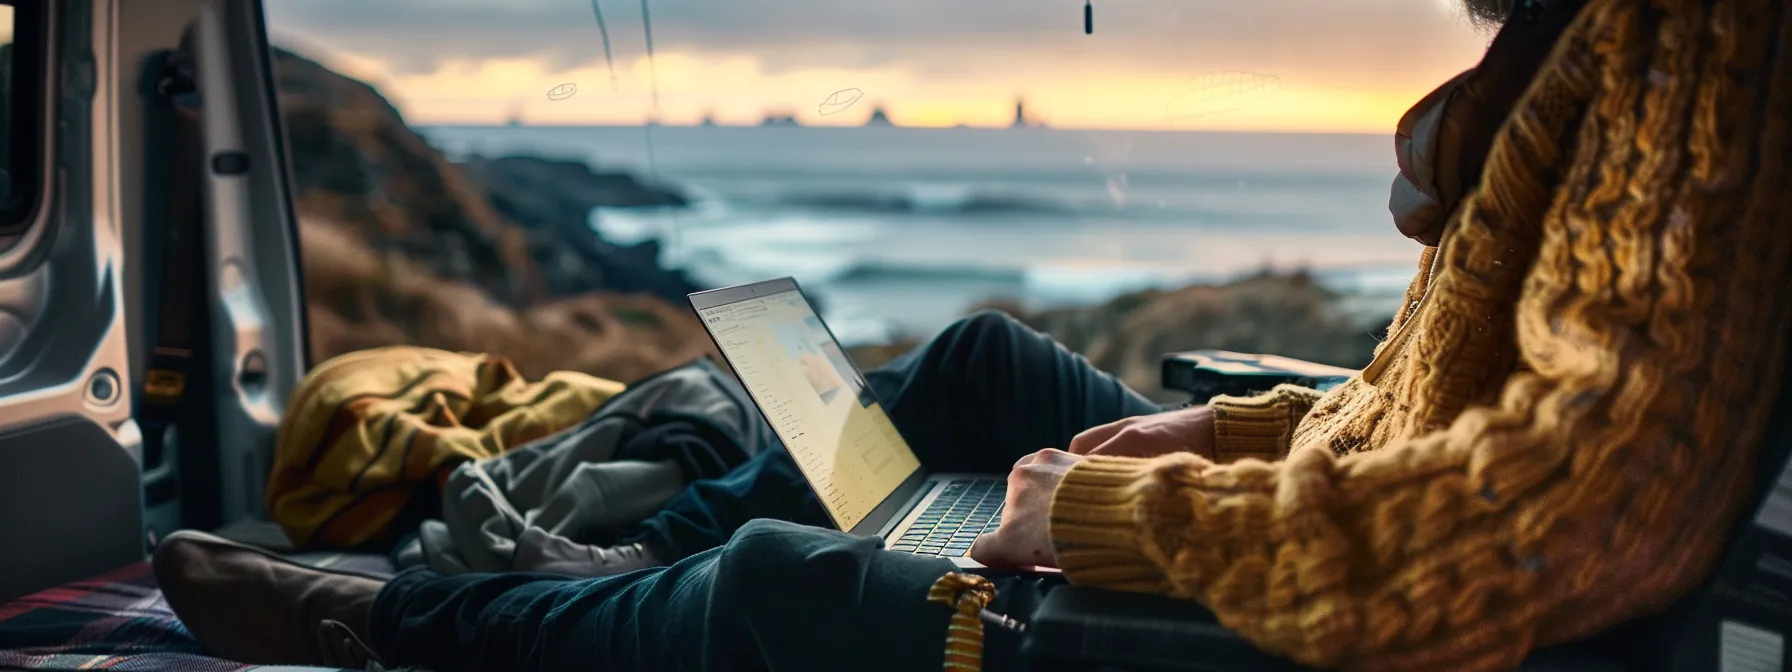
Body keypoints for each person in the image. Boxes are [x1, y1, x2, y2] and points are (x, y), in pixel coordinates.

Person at [151, 0, 1792, 669]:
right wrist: (1212, 435)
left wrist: (1113, 516)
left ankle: (408, 627)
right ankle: (592, 587)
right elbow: (1444, 407)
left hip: (1388, 627)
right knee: (978, 364)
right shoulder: (1590, 39)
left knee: (785, 585)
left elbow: (1579, 509)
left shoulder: (1693, 42)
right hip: (1341, 513)